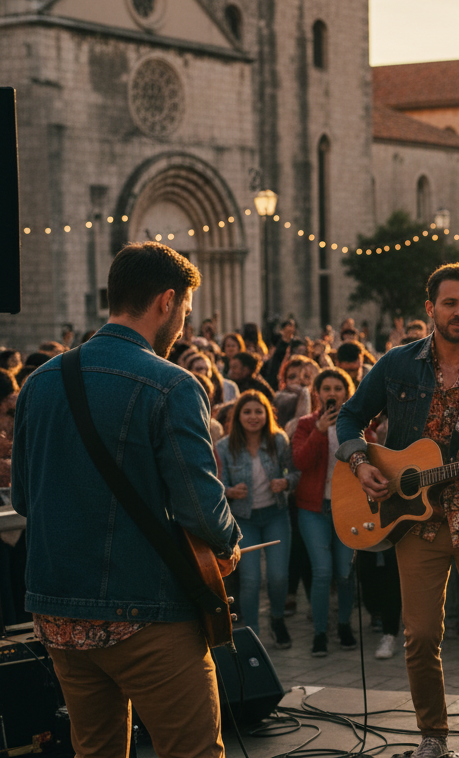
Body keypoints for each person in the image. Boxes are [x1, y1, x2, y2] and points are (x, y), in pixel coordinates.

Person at [11, 242, 242, 758]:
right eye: (184, 310)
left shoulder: (38, 383)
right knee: (194, 750)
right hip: (144, 611)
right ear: (166, 301)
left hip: (57, 614)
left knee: (97, 751)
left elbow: (24, 498)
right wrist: (230, 542)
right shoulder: (172, 385)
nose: (183, 324)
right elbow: (202, 508)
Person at [337, 263, 459, 758]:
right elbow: (349, 417)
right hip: (417, 523)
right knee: (421, 635)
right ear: (430, 309)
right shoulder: (398, 366)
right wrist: (361, 464)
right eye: (450, 303)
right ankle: (433, 735)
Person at [216, 390, 297, 648]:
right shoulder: (224, 447)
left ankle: (277, 619)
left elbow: (295, 473)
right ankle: (252, 634)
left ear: (267, 414)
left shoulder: (279, 440)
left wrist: (285, 482)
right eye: (247, 411)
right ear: (238, 415)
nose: (253, 417)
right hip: (243, 520)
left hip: (275, 514)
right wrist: (229, 491)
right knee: (250, 580)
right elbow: (216, 482)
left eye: (258, 411)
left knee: (278, 576)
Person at [292, 368, 359, 657]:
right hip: (313, 508)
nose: (332, 393)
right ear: (317, 392)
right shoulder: (306, 424)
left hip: (348, 509)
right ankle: (320, 632)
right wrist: (319, 431)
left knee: (344, 573)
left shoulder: (356, 423)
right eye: (326, 388)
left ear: (347, 392)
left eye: (338, 388)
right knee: (322, 572)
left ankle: (343, 624)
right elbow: (300, 461)